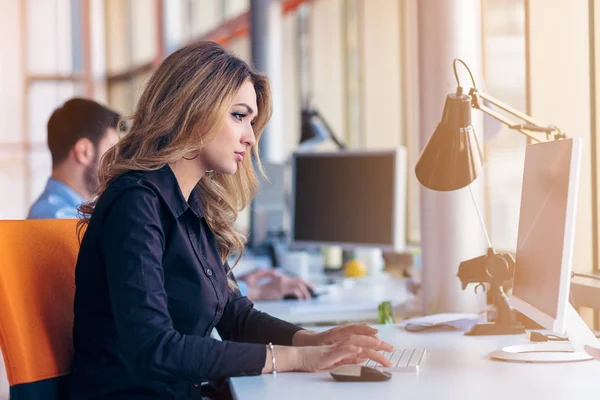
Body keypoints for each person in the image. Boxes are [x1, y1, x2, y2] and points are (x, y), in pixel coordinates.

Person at [69, 41, 393, 400]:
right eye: (239, 116)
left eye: (252, 122)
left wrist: (312, 340)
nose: (250, 137)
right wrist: (298, 358)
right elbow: (155, 348)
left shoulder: (193, 205)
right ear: (194, 110)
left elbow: (234, 315)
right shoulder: (137, 203)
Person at [27, 98, 121, 219]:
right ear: (84, 151)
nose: (117, 161)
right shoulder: (57, 218)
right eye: (111, 149)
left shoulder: (80, 212)